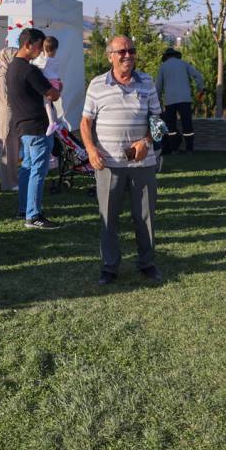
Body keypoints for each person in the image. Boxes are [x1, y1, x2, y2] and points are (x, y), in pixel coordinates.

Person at [80, 35, 163, 285]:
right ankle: (109, 267)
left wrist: (145, 142)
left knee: (145, 217)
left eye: (131, 50)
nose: (128, 55)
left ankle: (146, 263)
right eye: (122, 51)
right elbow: (85, 122)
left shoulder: (147, 81)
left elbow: (158, 120)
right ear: (110, 57)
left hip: (143, 164)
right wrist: (91, 150)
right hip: (108, 165)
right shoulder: (96, 84)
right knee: (109, 218)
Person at [7, 28, 61, 229]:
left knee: (27, 168)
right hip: (37, 126)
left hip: (23, 125)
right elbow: (52, 94)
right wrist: (58, 88)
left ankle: (24, 209)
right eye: (39, 46)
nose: (40, 51)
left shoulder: (13, 67)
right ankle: (33, 215)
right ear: (28, 44)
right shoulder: (30, 70)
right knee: (37, 170)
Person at [156, 48, 205, 154]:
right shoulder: (184, 64)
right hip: (185, 99)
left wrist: (157, 101)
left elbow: (158, 86)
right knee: (187, 124)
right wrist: (200, 89)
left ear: (166, 57)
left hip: (170, 100)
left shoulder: (163, 67)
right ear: (176, 55)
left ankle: (174, 149)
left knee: (171, 127)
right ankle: (189, 149)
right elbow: (198, 76)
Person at [0, 45, 20, 192]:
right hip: (8, 116)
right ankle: (9, 183)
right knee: (8, 152)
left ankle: (14, 180)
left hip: (11, 115)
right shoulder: (3, 76)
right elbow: (8, 99)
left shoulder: (6, 73)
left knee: (13, 151)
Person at [32, 36, 62, 136]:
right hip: (56, 83)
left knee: (47, 103)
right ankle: (56, 121)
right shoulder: (56, 60)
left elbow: (36, 65)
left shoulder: (45, 60)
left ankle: (51, 123)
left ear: (44, 49)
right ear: (55, 49)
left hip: (49, 83)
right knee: (52, 104)